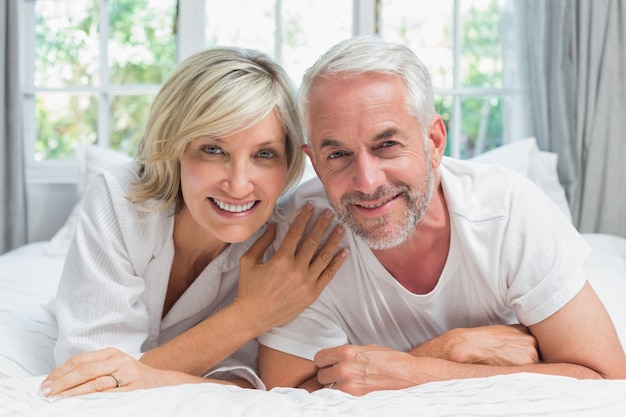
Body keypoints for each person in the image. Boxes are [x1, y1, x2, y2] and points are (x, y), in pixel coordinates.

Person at [257, 36, 626, 396]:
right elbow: (290, 394)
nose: (367, 182)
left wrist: (418, 368)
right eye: (337, 155)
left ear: (434, 142)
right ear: (316, 164)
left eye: (387, 145)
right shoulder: (302, 233)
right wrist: (442, 352)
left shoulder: (508, 211)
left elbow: (607, 377)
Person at [38, 46, 347, 400]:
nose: (239, 184)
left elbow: (249, 384)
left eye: (264, 154)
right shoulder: (119, 199)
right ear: (175, 147)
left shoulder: (284, 246)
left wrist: (151, 376)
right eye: (213, 150)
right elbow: (92, 381)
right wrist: (250, 314)